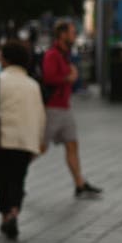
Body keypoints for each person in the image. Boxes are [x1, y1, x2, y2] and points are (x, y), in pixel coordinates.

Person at [0, 40, 47, 239]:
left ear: (7, 59)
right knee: (18, 178)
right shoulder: (33, 85)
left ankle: (6, 216)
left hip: (3, 139)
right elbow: (40, 114)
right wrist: (39, 140)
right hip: (26, 140)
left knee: (3, 178)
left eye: (0, 54)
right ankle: (14, 211)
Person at [41, 20, 102, 198]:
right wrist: (69, 77)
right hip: (52, 109)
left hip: (64, 108)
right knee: (40, 148)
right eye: (72, 33)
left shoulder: (64, 54)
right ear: (62, 35)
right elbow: (49, 77)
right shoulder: (52, 54)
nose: (74, 36)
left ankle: (79, 184)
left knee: (72, 144)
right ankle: (17, 178)